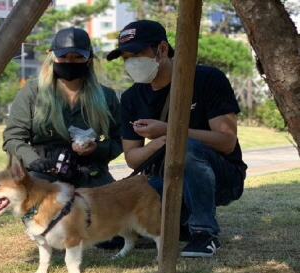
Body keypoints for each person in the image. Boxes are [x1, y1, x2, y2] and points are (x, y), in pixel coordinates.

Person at [106, 20, 247, 257]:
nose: (131, 62)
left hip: (221, 177)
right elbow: (132, 159)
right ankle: (178, 224)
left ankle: (204, 234)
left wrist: (169, 131)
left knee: (185, 145)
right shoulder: (131, 98)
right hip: (167, 178)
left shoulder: (206, 79)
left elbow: (226, 141)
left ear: (161, 49)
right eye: (126, 57)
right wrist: (159, 142)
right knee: (110, 228)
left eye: (138, 53)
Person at [3, 27, 122, 190]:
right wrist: (34, 161)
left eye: (77, 57)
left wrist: (97, 149)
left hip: (91, 174)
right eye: (63, 56)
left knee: (112, 207)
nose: (70, 62)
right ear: (52, 57)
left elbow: (119, 140)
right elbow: (13, 137)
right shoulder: (32, 92)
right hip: (44, 173)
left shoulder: (106, 96)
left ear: (89, 59)